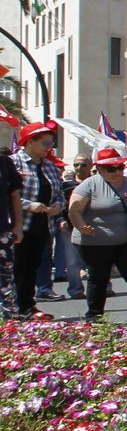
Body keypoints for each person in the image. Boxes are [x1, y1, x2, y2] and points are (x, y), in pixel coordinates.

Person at [68, 147, 127, 322]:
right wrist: (81, 227)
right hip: (95, 241)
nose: (117, 171)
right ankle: (94, 315)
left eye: (120, 167)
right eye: (112, 168)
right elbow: (74, 210)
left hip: (124, 239)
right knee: (98, 278)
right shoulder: (89, 184)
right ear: (101, 169)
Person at [14, 123, 66, 319]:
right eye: (44, 142)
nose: (48, 146)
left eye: (51, 143)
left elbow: (59, 194)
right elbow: (8, 195)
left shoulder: (50, 166)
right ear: (29, 142)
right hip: (20, 224)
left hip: (43, 225)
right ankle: (14, 307)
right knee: (17, 267)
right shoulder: (15, 163)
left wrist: (58, 206)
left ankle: (28, 306)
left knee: (32, 266)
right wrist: (29, 205)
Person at [58, 153, 92, 301]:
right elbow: (58, 203)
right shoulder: (66, 186)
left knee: (99, 261)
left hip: (94, 227)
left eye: (83, 165)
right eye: (76, 165)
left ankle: (105, 287)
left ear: (90, 166)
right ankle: (76, 289)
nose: (79, 168)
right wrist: (60, 219)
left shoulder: (97, 183)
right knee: (73, 262)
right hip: (71, 228)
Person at [0, 135, 21, 317]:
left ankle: (7, 319)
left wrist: (18, 225)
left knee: (5, 276)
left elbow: (15, 196)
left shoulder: (5, 163)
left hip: (2, 230)